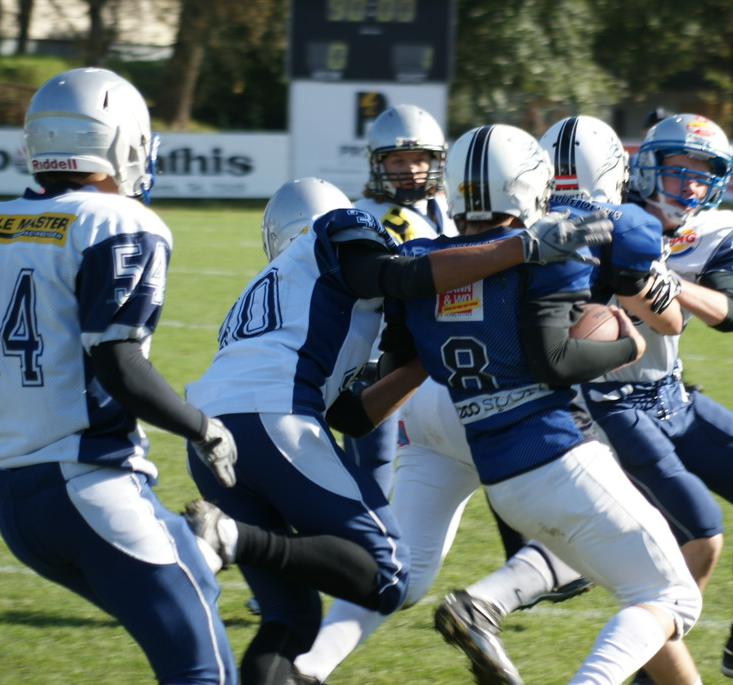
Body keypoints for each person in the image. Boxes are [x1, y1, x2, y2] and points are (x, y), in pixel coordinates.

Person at [287, 115, 681, 685]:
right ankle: (489, 603)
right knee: (618, 557)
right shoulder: (567, 235)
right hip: (514, 419)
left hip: (430, 401)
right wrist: (625, 335)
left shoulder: (423, 248)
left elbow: (398, 337)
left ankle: (309, 668)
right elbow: (641, 318)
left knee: (407, 569)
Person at [180, 174, 614, 685]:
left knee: (290, 619)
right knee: (389, 571)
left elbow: (351, 416)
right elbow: (399, 275)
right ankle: (232, 537)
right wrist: (525, 246)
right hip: (274, 422)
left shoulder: (277, 298)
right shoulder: (339, 233)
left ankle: (235, 540)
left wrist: (430, 357)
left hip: (212, 439)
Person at [396, 123, 702, 685]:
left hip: (501, 477)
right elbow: (558, 359)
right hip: (558, 454)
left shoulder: (426, 264)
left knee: (639, 592)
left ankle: (488, 603)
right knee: (673, 598)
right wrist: (626, 342)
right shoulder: (566, 243)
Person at [0, 67, 239, 684]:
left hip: (16, 503)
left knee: (195, 582)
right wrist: (203, 428)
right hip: (93, 491)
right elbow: (120, 366)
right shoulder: (119, 222)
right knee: (206, 674)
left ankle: (200, 548)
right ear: (125, 141)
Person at [587, 112, 733, 681]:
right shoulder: (606, 221)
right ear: (648, 167)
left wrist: (666, 280)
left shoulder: (717, 230)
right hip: (604, 400)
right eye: (680, 169)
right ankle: (650, 666)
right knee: (689, 538)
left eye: (704, 173)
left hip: (669, 396)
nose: (691, 184)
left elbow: (728, 314)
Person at [346, 104, 458, 497]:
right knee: (372, 470)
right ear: (379, 163)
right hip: (379, 361)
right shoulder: (362, 216)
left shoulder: (447, 207)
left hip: (436, 360)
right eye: (398, 159)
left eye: (419, 159)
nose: (410, 169)